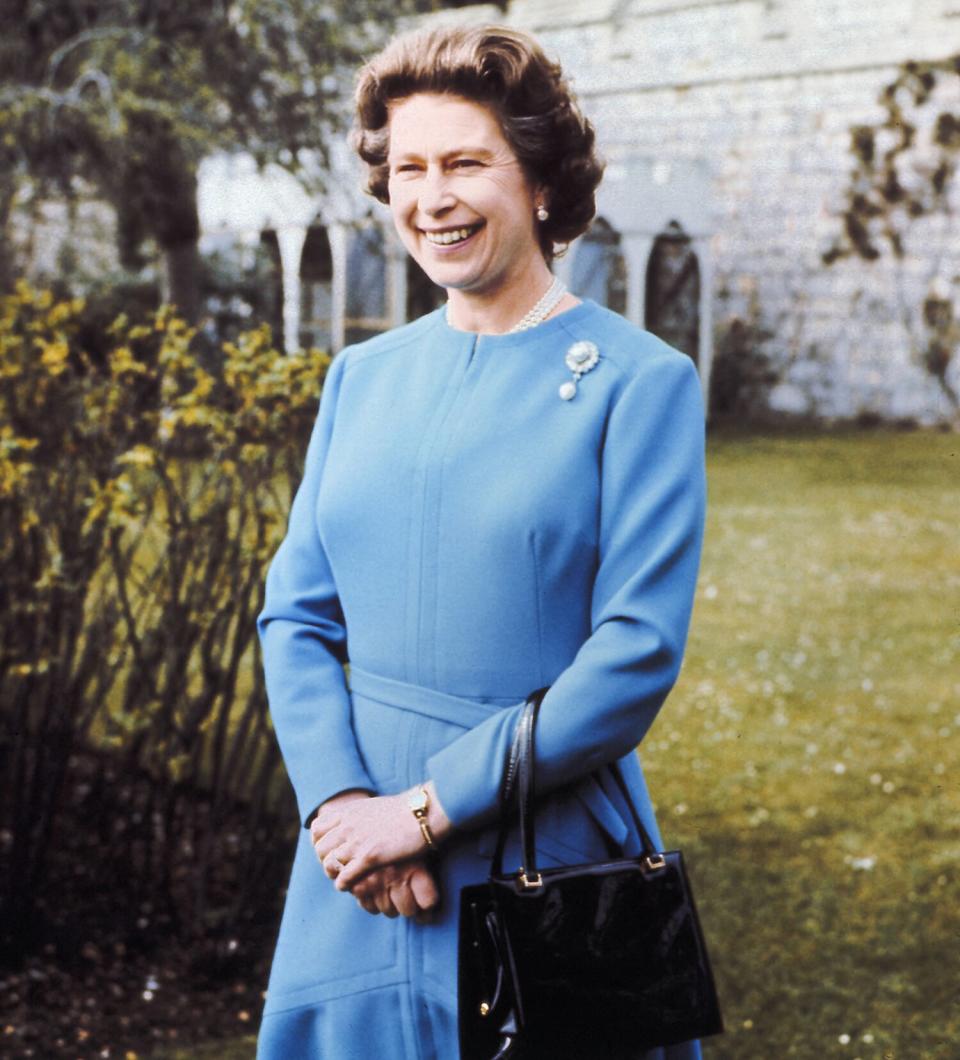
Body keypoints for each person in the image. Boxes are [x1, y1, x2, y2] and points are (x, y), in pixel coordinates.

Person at [256, 23, 707, 1060]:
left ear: (542, 183)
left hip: (534, 848)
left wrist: (424, 811)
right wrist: (341, 810)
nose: (433, 196)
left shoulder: (643, 384)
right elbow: (295, 613)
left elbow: (635, 654)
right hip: (353, 867)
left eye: (465, 162)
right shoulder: (358, 378)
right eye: (409, 167)